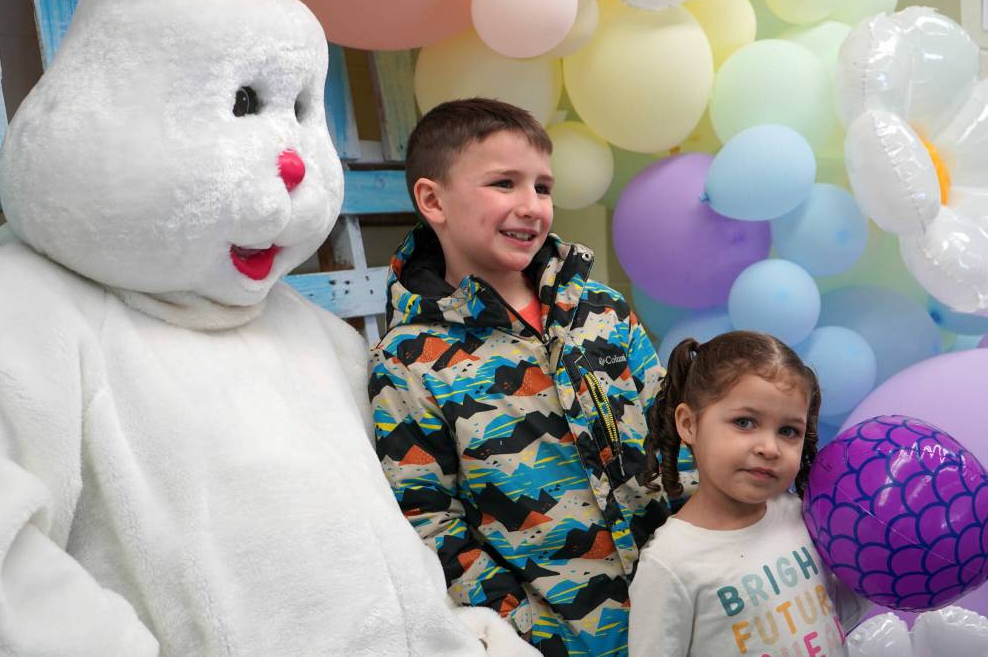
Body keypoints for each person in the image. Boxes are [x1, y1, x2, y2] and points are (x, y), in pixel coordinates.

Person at [369, 98, 685, 656]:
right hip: (564, 637)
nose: (531, 206)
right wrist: (524, 627)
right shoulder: (407, 360)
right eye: (504, 184)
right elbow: (427, 517)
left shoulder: (603, 310)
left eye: (542, 187)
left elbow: (676, 432)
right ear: (433, 200)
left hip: (684, 609)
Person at [628, 331, 869, 657]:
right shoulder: (670, 562)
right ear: (689, 423)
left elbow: (832, 617)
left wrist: (877, 567)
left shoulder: (800, 515)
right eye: (744, 422)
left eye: (788, 431)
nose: (769, 448)